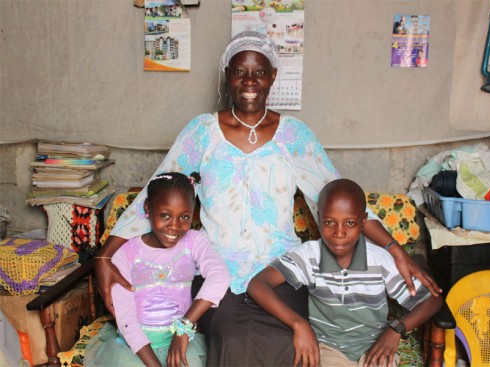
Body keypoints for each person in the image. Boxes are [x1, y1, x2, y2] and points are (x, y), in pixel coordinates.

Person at [95, 30, 440, 366]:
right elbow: (156, 194)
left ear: (273, 76)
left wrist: (395, 251)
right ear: (227, 76)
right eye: (239, 72)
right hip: (220, 274)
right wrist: (105, 258)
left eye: (259, 72)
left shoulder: (294, 136)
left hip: (281, 272)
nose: (249, 81)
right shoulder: (202, 133)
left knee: (287, 345)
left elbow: (339, 194)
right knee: (232, 341)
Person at [248, 179, 443, 367]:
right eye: (329, 222)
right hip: (328, 349)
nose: (339, 232)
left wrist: (396, 330)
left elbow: (432, 300)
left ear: (363, 222)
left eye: (349, 223)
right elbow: (258, 284)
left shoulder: (379, 260)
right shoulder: (310, 256)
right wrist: (299, 324)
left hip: (375, 349)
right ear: (319, 218)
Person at [86, 172, 230, 367]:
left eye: (184, 217)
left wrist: (184, 327)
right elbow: (126, 319)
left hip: (182, 340)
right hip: (136, 349)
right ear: (148, 208)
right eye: (164, 215)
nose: (174, 226)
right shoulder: (125, 253)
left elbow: (219, 277)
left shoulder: (195, 241)